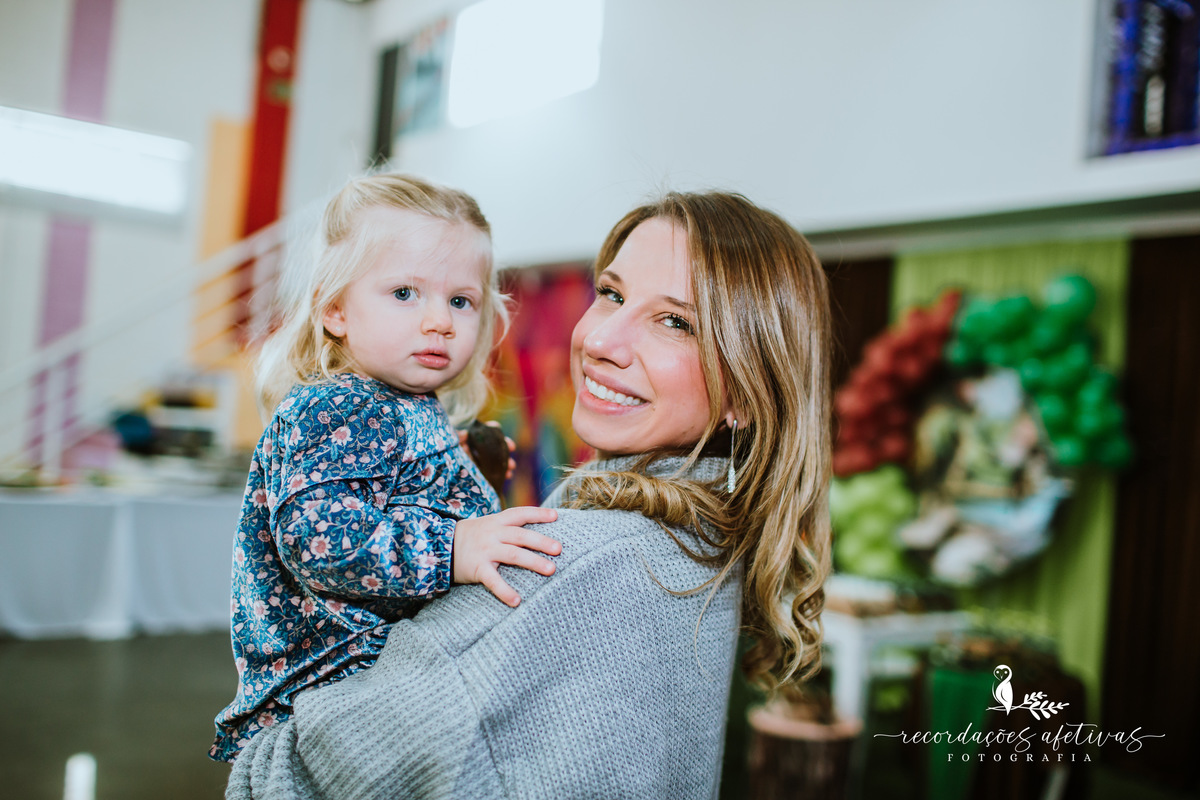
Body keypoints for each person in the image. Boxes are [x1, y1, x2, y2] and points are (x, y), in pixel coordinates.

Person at [225, 190, 833, 798]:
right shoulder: (702, 547)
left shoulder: (584, 558)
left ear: (745, 395)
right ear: (335, 311)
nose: (600, 340)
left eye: (676, 322)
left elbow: (300, 775)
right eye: (613, 294)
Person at [210, 174, 562, 763]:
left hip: (386, 680)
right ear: (335, 310)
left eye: (460, 300)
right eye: (405, 293)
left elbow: (391, 492)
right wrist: (452, 546)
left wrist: (461, 470)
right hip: (335, 692)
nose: (439, 321)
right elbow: (324, 541)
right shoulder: (335, 406)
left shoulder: (399, 404)